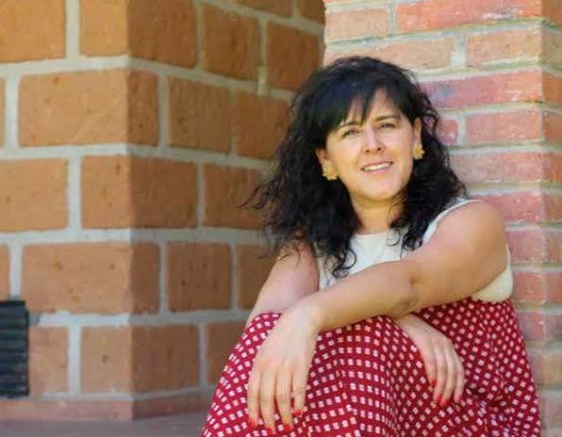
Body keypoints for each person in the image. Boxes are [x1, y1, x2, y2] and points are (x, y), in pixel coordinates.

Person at [200, 56, 540, 436]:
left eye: (386, 125)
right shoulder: (312, 244)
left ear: (415, 136)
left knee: (365, 342)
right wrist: (398, 323)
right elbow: (264, 334)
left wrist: (312, 315)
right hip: (360, 426)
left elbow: (409, 284)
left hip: (470, 423)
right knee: (269, 337)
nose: (372, 146)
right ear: (326, 159)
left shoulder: (470, 222)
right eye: (350, 132)